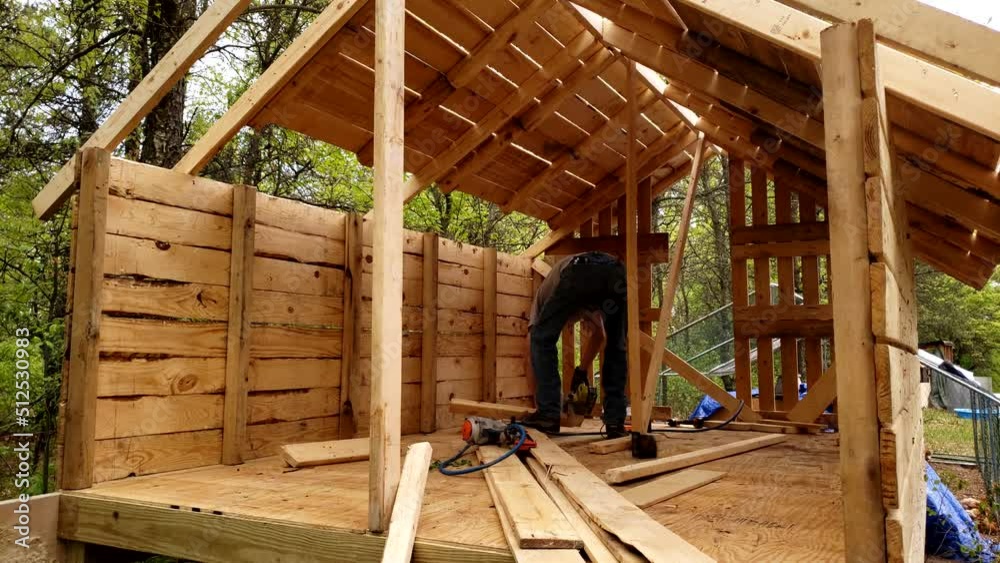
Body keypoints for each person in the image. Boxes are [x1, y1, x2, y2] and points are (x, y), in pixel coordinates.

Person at [521, 251, 628, 436]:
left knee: (541, 337)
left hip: (581, 269)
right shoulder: (585, 299)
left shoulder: (543, 299)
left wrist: (543, 405)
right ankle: (614, 422)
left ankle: (547, 416)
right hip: (616, 272)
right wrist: (581, 372)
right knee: (616, 345)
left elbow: (533, 345)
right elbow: (601, 334)